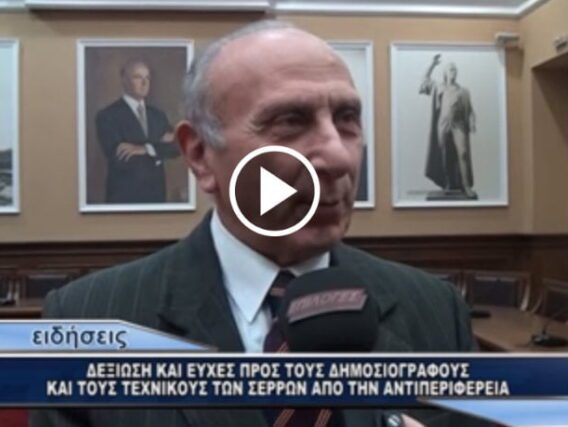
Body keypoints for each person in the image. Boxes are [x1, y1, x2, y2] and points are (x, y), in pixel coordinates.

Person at [31, 21, 483, 427]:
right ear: (199, 155)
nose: (339, 156)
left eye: (347, 119)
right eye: (290, 121)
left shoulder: (436, 312)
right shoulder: (88, 320)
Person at [95, 59, 180, 204]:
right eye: (138, 77)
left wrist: (145, 148)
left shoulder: (158, 115)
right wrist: (159, 146)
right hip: (124, 197)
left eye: (147, 78)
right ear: (124, 80)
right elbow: (121, 158)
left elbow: (177, 147)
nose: (144, 83)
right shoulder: (107, 116)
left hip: (157, 196)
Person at [420, 54, 477, 199]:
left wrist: (472, 121)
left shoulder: (463, 91)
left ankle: (466, 186)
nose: (453, 72)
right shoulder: (439, 87)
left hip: (458, 125)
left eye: (455, 70)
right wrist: (432, 64)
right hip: (443, 125)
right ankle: (448, 183)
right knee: (444, 155)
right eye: (451, 69)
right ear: (445, 72)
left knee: (463, 153)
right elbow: (425, 80)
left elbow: (470, 110)